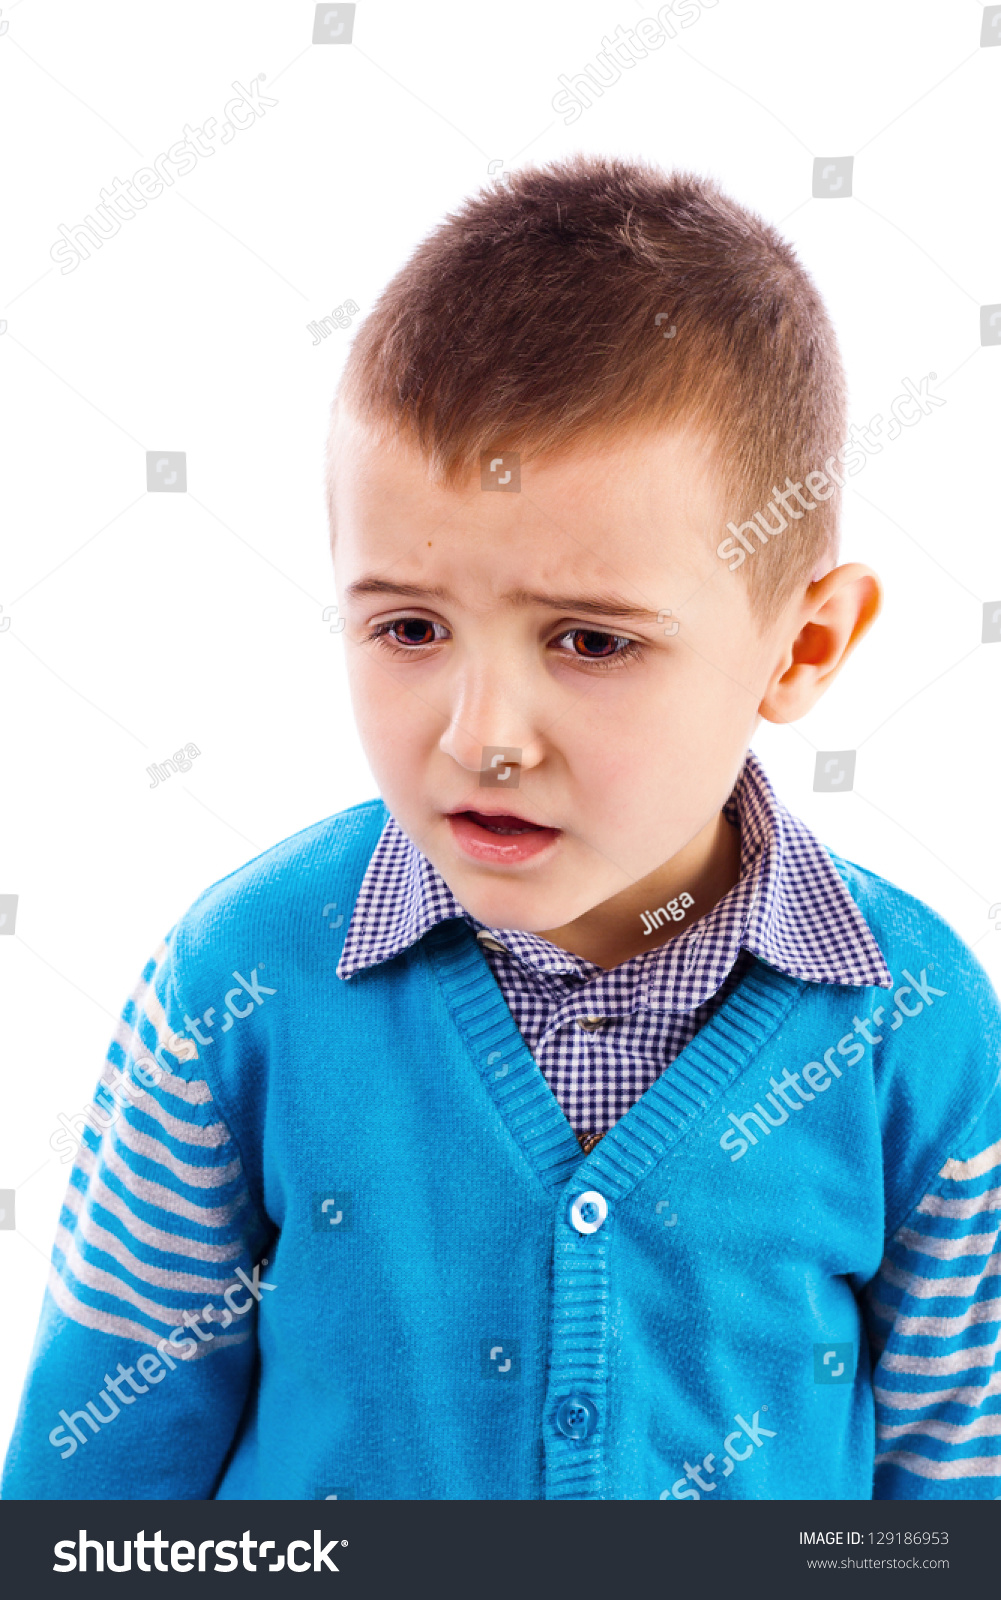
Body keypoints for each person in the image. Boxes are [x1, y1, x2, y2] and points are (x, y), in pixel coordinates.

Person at [5, 156, 998, 1500]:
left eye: (589, 640)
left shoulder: (914, 1021)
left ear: (802, 642)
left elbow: (957, 1478)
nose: (481, 734)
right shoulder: (241, 980)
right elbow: (102, 1461)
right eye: (408, 627)